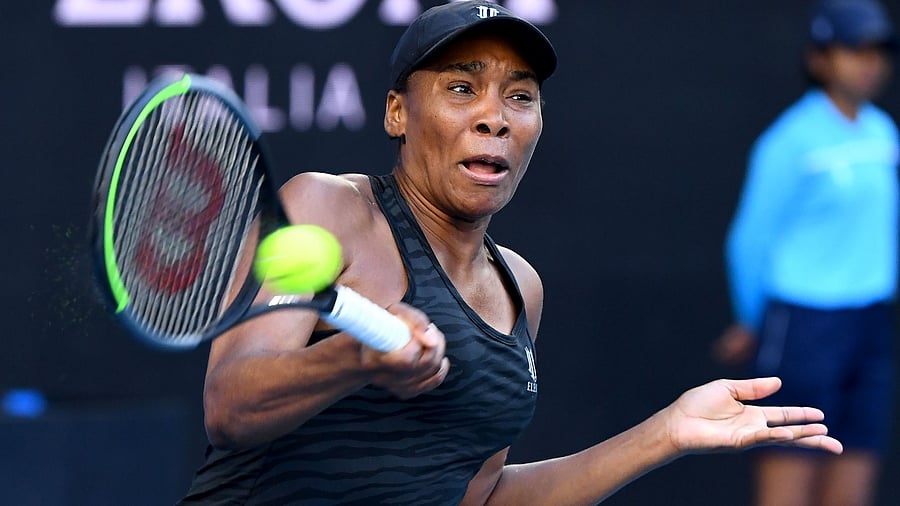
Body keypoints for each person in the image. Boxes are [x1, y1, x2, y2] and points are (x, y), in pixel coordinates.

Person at [180, 2, 842, 504]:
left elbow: (482, 496)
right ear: (397, 114)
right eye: (462, 88)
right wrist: (356, 357)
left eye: (519, 96)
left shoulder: (520, 287)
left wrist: (665, 433)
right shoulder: (329, 210)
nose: (495, 116)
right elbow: (230, 408)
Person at [714, 1, 898, 505]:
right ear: (819, 58)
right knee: (790, 481)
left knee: (854, 466)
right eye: (852, 49)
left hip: (870, 325)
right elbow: (748, 241)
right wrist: (755, 322)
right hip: (804, 328)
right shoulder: (790, 141)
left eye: (878, 50)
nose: (869, 61)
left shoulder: (885, 133)